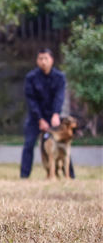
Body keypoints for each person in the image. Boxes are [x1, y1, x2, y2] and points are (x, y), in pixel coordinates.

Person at [20, 48, 73, 178]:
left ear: (52, 60)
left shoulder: (59, 77)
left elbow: (59, 97)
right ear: (37, 60)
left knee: (63, 144)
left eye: (46, 58)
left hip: (54, 116)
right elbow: (31, 100)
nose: (43, 61)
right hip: (35, 117)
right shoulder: (31, 78)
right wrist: (39, 119)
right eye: (40, 59)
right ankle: (24, 176)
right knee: (29, 144)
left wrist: (56, 114)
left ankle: (70, 175)